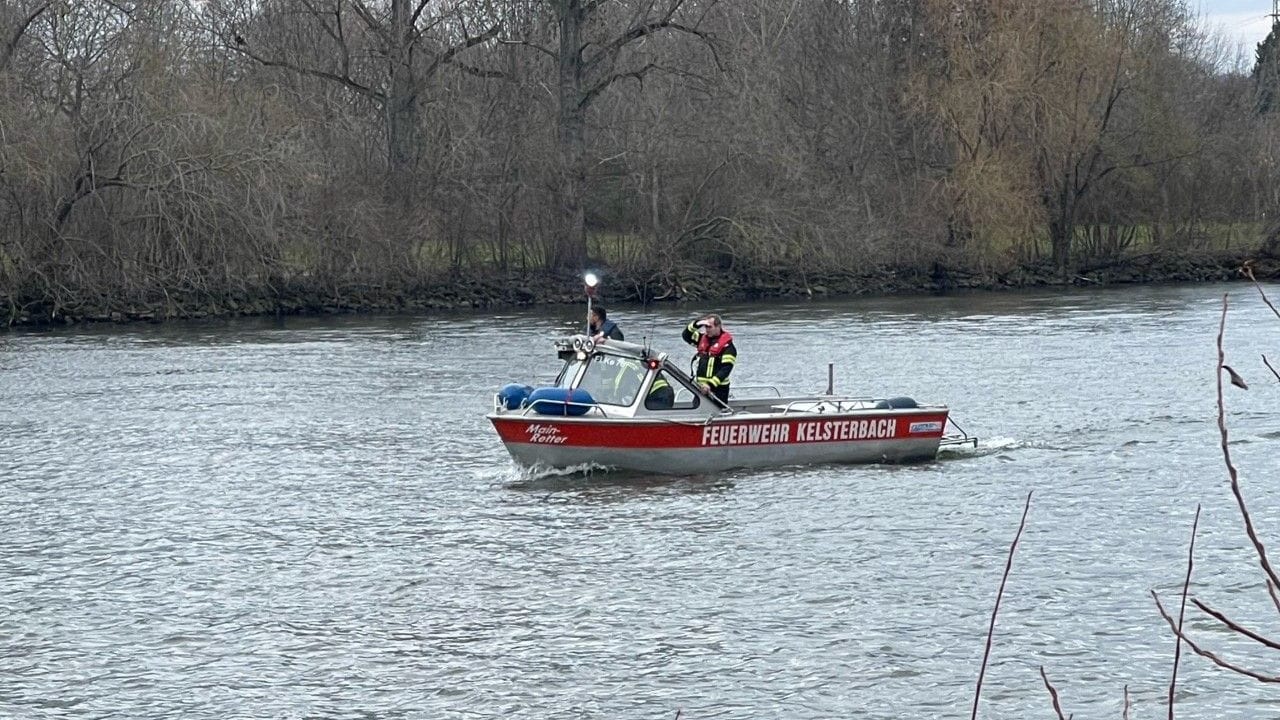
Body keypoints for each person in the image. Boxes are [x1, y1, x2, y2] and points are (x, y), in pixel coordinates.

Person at [682, 314, 735, 404]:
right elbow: (686, 335)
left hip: (718, 390)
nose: (707, 329)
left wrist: (710, 385)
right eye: (705, 327)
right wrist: (697, 323)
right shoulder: (701, 339)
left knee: (717, 413)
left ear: (718, 326)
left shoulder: (728, 347)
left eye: (709, 327)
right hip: (701, 388)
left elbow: (726, 369)